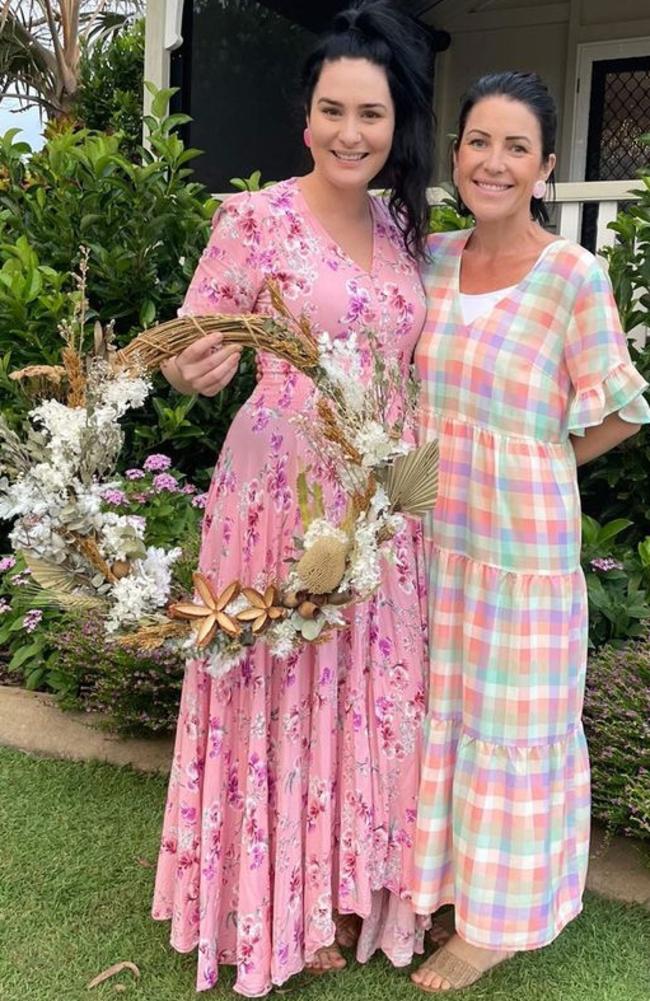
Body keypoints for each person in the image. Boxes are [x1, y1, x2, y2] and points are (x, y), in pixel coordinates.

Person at [151, 2, 436, 994]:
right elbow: (198, 351)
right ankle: (272, 898)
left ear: (397, 122)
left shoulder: (408, 228)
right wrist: (195, 366)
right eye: (331, 109)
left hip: (380, 499)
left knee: (372, 689)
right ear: (305, 118)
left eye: (370, 112)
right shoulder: (255, 219)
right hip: (275, 486)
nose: (349, 131)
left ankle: (349, 881)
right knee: (275, 686)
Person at [410, 71, 650, 992]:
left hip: (521, 556)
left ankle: (494, 923)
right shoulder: (429, 258)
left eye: (516, 147)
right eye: (479, 141)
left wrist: (541, 463)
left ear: (546, 167)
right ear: (457, 153)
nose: (494, 161)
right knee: (438, 713)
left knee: (509, 725)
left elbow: (625, 409)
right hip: (430, 540)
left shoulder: (572, 277)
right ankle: (434, 883)